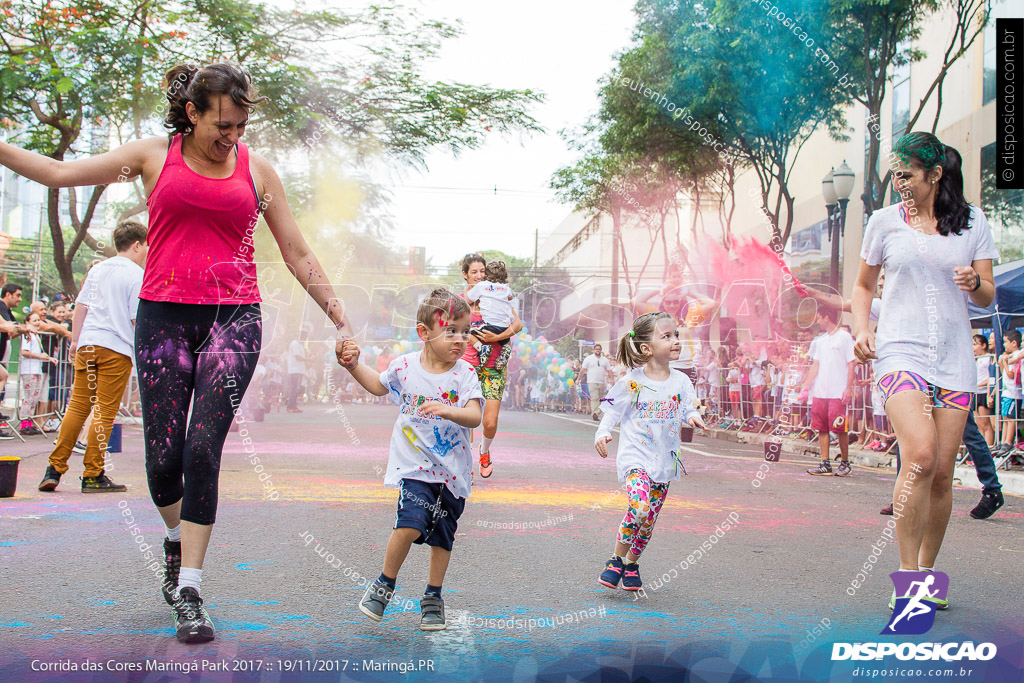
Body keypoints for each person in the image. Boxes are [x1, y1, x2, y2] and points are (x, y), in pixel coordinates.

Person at [1, 62, 352, 643]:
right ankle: (174, 542)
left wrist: (337, 312)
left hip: (234, 318)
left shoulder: (257, 171)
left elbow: (295, 250)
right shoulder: (150, 156)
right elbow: (58, 173)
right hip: (163, 315)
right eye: (222, 125)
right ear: (191, 113)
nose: (231, 138)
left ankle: (190, 587)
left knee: (202, 447)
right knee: (163, 460)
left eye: (240, 127)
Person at [852, 132, 997, 609]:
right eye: (895, 174)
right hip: (900, 352)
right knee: (919, 454)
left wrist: (976, 282)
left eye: (908, 175)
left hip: (955, 360)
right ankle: (907, 577)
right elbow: (863, 286)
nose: (899, 182)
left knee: (939, 474)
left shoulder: (972, 223)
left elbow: (987, 295)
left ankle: (928, 574)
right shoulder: (883, 222)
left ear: (934, 176)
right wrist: (860, 330)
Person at [337, 289, 483, 631]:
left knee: (443, 536)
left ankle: (433, 596)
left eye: (465, 331)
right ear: (424, 333)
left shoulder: (464, 374)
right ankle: (384, 584)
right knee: (410, 522)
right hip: (415, 467)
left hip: (452, 473)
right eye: (451, 331)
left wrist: (450, 409)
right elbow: (377, 385)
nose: (460, 339)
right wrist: (353, 365)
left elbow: (475, 415)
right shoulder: (404, 367)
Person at [595, 312, 706, 591]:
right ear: (646, 348)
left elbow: (687, 407)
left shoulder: (681, 381)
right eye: (666, 336)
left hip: (666, 462)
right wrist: (602, 431)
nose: (675, 341)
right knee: (640, 507)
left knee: (648, 521)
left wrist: (692, 416)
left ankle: (632, 563)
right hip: (636, 457)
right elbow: (610, 408)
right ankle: (616, 559)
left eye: (676, 335)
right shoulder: (632, 381)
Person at [38, 221, 148, 493]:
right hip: (116, 348)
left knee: (77, 407)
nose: (147, 251)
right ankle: (92, 474)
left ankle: (54, 469)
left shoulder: (97, 269)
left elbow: (81, 308)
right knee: (104, 411)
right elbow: (137, 319)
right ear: (136, 245)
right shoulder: (136, 274)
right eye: (146, 245)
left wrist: (76, 341)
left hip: (88, 344)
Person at [459, 254, 522, 478]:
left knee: (490, 421)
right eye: (474, 272)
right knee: (468, 418)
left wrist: (497, 338)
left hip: (495, 365)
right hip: (468, 364)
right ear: (465, 274)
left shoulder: (497, 294)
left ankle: (484, 451)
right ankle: (466, 467)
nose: (479, 276)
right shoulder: (462, 301)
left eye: (482, 271)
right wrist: (475, 342)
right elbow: (455, 329)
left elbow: (517, 324)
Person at [802, 307, 856, 476]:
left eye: (818, 317)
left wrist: (848, 387)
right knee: (822, 428)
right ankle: (825, 463)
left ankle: (845, 462)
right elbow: (815, 365)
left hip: (837, 392)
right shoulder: (821, 341)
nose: (817, 320)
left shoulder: (844, 337)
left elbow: (852, 363)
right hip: (820, 392)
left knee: (840, 429)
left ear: (826, 317)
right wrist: (805, 385)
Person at [465, 260, 515, 367]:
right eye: (474, 272)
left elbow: (468, 299)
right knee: (507, 341)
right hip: (505, 326)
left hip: (489, 325)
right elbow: (510, 297)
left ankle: (482, 348)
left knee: (468, 333)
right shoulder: (506, 288)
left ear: (487, 275)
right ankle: (504, 355)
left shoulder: (482, 285)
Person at [17, 311, 58, 435]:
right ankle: (24, 423)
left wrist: (46, 357)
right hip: (29, 369)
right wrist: (39, 356)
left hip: (36, 368)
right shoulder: (27, 335)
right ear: (27, 322)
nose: (37, 323)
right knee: (29, 397)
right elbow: (24, 352)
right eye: (34, 320)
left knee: (34, 397)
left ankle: (29, 422)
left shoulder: (36, 335)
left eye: (38, 320)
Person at [0, 283, 27, 424]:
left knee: (3, 376)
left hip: (2, 357)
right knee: (3, 375)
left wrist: (22, 329)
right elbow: (8, 326)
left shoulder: (7, 310)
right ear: (8, 294)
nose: (20, 299)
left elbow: (12, 330)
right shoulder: (0, 306)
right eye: (18, 295)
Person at [995, 330, 1022, 452]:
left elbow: (1011, 374)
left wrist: (1005, 362)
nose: (1004, 345)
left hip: (1014, 392)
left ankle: (1008, 442)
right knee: (1005, 417)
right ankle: (1003, 441)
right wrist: (1002, 363)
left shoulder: (1017, 354)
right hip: (1006, 391)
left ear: (1014, 343)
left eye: (1006, 342)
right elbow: (1004, 373)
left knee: (1010, 418)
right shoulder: (1010, 356)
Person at [973, 335, 996, 447]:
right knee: (978, 425)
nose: (973, 347)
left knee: (986, 424)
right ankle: (980, 450)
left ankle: (988, 450)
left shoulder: (988, 358)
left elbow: (990, 377)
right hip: (975, 393)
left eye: (975, 344)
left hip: (983, 392)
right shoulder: (976, 359)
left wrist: (979, 384)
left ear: (983, 345)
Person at [582, 344, 612, 421]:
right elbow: (583, 369)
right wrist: (579, 379)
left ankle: (597, 412)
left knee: (602, 399)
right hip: (592, 382)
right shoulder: (588, 359)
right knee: (594, 398)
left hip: (602, 382)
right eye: (596, 349)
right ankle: (595, 413)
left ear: (601, 350)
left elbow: (609, 370)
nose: (597, 350)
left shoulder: (605, 360)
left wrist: (612, 379)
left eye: (599, 349)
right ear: (594, 350)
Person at [286, 330, 309, 413]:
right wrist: (308, 359)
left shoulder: (300, 345)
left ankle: (294, 406)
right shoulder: (295, 343)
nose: (305, 339)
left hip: (299, 370)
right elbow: (297, 356)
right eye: (305, 337)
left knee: (296, 388)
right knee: (294, 388)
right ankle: (290, 406)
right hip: (294, 370)